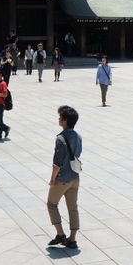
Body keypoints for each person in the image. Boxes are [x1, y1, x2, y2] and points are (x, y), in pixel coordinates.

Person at [47, 105, 82, 249]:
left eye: (60, 117)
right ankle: (72, 239)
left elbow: (57, 163)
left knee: (51, 204)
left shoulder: (60, 139)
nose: (59, 119)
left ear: (65, 120)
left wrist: (52, 179)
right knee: (73, 207)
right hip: (75, 177)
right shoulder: (78, 136)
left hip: (62, 179)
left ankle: (60, 234)